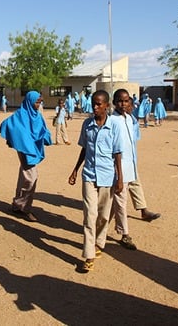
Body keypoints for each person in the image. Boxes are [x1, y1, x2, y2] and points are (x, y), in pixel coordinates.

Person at [68, 90, 122, 272]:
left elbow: (117, 154)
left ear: (107, 106)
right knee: (89, 215)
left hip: (107, 176)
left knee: (104, 215)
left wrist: (120, 178)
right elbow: (84, 149)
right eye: (94, 104)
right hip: (89, 175)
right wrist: (75, 169)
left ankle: (99, 242)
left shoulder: (114, 125)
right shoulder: (87, 124)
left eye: (99, 104)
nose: (96, 107)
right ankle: (89, 254)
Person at [0, 91, 52, 222]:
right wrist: (13, 140)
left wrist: (45, 138)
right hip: (25, 150)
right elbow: (7, 124)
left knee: (24, 177)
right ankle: (23, 207)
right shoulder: (20, 115)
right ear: (29, 101)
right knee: (31, 179)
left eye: (40, 102)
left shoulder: (37, 116)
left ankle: (17, 206)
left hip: (33, 149)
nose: (38, 104)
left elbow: (43, 131)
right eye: (36, 102)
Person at [108, 89, 141, 250]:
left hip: (130, 167)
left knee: (114, 203)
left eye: (126, 101)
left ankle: (99, 228)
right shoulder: (112, 120)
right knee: (121, 202)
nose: (123, 104)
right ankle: (124, 234)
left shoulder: (129, 119)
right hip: (117, 169)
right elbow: (114, 149)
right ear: (114, 102)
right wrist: (118, 174)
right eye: (120, 101)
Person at [126, 97, 161, 222]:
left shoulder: (133, 120)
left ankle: (143, 210)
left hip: (131, 159)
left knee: (135, 182)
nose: (129, 107)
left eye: (130, 105)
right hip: (119, 160)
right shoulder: (115, 121)